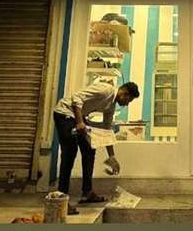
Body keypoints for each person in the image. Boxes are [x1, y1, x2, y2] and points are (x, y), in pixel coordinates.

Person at [53, 81, 140, 212]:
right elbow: (77, 96)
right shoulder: (105, 90)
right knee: (69, 153)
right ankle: (61, 200)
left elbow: (106, 131)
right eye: (129, 100)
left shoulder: (110, 106)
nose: (127, 104)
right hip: (64, 112)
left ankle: (87, 192)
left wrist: (111, 157)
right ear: (125, 93)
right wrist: (80, 122)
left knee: (89, 150)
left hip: (77, 115)